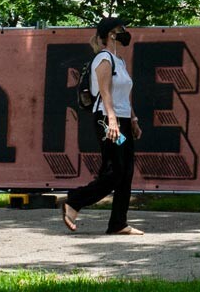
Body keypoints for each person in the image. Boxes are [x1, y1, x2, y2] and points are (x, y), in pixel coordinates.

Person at [61, 17, 144, 235]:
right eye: (120, 28)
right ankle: (74, 201)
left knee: (125, 171)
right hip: (107, 120)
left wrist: (132, 120)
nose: (124, 31)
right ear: (110, 34)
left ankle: (118, 223)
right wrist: (113, 120)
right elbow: (105, 92)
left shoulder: (120, 62)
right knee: (115, 171)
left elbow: (123, 95)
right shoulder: (104, 58)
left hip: (122, 121)